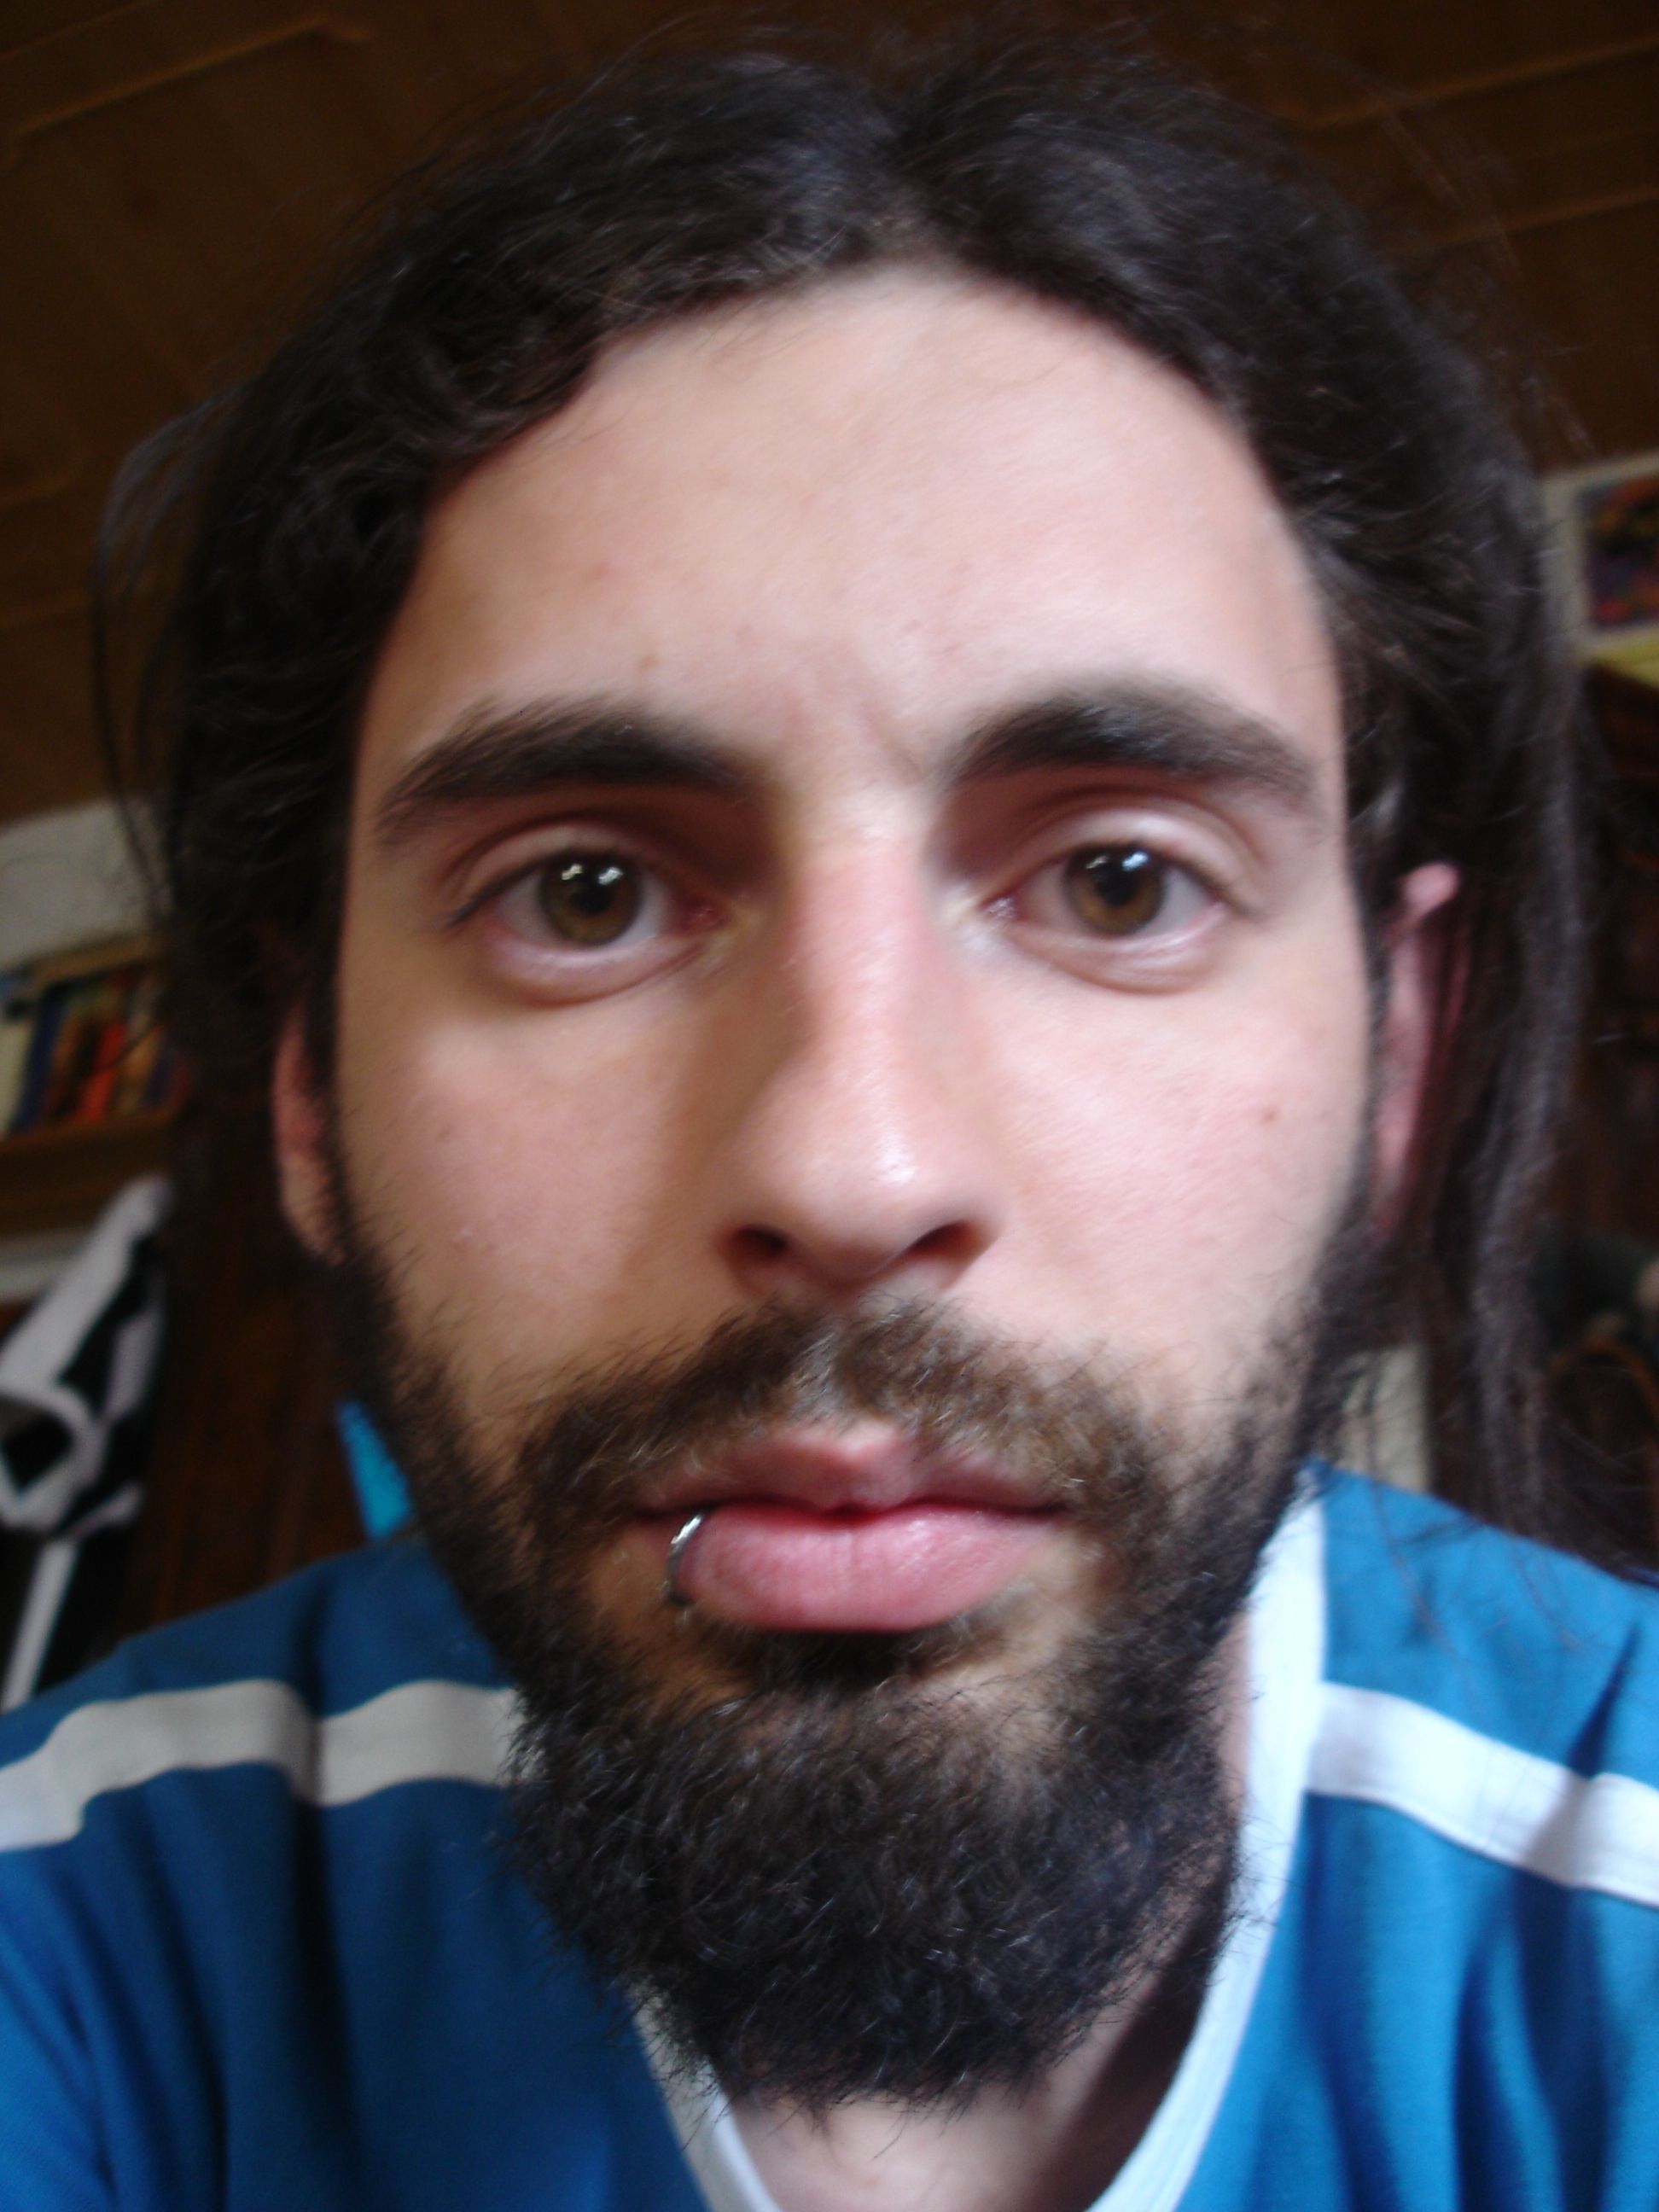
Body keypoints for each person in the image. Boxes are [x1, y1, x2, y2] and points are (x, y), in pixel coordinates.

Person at [2, 37, 1655, 2212]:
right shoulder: (71, 1910)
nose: (852, 1170)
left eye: (1120, 884)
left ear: (1399, 1066)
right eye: (583, 898)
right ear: (307, 1086)